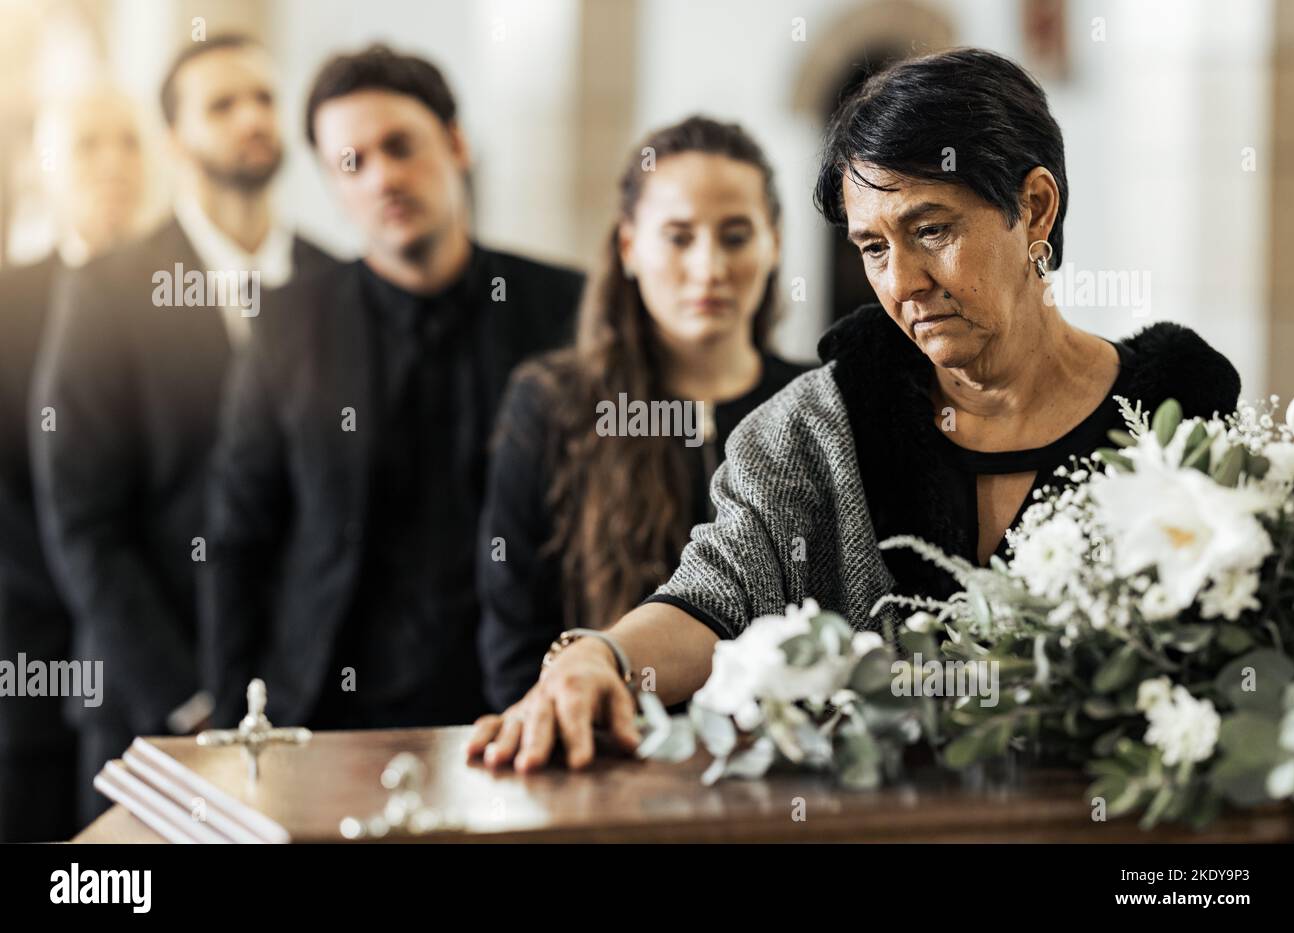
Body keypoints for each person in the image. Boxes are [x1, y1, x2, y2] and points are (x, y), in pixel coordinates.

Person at [466, 47, 1241, 773]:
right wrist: (599, 657)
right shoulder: (813, 427)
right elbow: (714, 599)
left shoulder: (1173, 418)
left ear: (1035, 209)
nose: (902, 282)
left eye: (931, 230)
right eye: (873, 247)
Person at [198, 45, 583, 733]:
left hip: (518, 705)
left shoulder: (565, 309)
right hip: (326, 708)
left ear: (456, 144)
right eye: (352, 163)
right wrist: (231, 722)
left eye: (400, 147)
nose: (382, 178)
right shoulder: (289, 322)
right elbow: (239, 535)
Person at [29, 35, 335, 825]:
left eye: (264, 99)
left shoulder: (334, 282)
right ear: (174, 139)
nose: (251, 118)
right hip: (150, 707)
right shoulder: (109, 290)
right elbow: (84, 519)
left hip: (314, 706)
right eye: (222, 104)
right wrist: (187, 695)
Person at [477, 116, 808, 711]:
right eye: (679, 238)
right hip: (606, 743)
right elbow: (514, 633)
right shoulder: (555, 405)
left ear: (774, 244)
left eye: (736, 236)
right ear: (629, 247)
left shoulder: (812, 404)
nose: (709, 268)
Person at [0, 90, 145, 842]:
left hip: (154, 654)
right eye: (88, 145)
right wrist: (92, 590)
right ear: (41, 167)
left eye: (129, 143)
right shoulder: (9, 302)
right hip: (32, 642)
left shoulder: (181, 299)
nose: (113, 163)